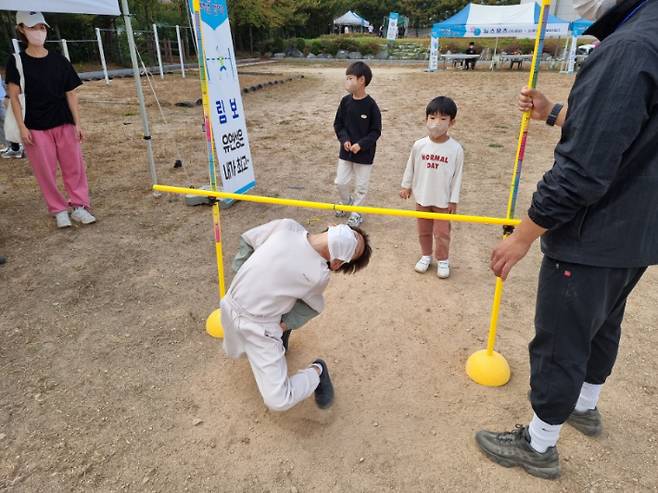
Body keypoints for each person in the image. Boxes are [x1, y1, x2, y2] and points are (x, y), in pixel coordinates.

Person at [475, 0, 658, 480]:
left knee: (562, 338)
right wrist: (556, 112)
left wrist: (523, 235)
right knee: (604, 322)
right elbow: (628, 130)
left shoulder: (629, 46)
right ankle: (585, 405)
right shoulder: (649, 35)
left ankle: (539, 444)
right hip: (638, 231)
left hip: (593, 232)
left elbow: (583, 171)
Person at [221, 219, 372, 412]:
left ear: (338, 263)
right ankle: (278, 341)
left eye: (356, 248)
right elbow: (250, 239)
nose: (353, 239)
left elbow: (313, 306)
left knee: (279, 400)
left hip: (261, 327)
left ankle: (317, 371)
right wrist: (240, 271)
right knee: (234, 351)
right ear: (333, 226)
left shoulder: (318, 275)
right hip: (230, 304)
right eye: (354, 234)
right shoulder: (287, 226)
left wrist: (284, 324)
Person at [5, 11, 96, 229]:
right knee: (45, 171)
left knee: (74, 166)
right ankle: (58, 209)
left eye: (42, 27)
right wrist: (22, 126)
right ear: (22, 30)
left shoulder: (59, 60)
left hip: (63, 122)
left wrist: (77, 123)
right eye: (33, 27)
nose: (38, 32)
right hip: (35, 126)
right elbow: (14, 97)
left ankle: (80, 206)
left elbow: (71, 93)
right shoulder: (16, 61)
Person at [399, 96, 464, 279]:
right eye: (432, 118)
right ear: (426, 119)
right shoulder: (419, 145)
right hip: (422, 197)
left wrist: (453, 200)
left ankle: (443, 260)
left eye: (443, 119)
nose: (437, 123)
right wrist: (406, 186)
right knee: (424, 231)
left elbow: (457, 176)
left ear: (452, 122)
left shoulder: (455, 149)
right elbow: (410, 166)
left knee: (442, 233)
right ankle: (426, 256)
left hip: (443, 200)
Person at [333, 61, 382, 228]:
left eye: (350, 78)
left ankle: (357, 213)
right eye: (346, 78)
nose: (346, 82)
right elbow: (338, 124)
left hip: (364, 154)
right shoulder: (345, 102)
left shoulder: (371, 106)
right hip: (345, 152)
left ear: (361, 80)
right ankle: (347, 202)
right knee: (340, 182)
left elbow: (376, 131)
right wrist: (345, 140)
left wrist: (361, 145)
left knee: (361, 187)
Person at [0, 74, 24, 159]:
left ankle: (17, 147)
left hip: (0, 98)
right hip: (2, 97)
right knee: (3, 124)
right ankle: (10, 146)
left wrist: (7, 95)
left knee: (7, 122)